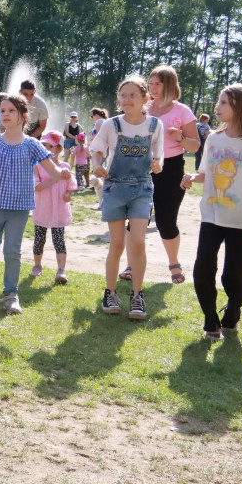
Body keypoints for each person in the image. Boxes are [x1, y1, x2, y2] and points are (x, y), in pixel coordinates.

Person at [182, 84, 242, 339]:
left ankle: (232, 312)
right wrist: (191, 177)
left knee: (235, 275)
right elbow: (206, 173)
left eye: (224, 103)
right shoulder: (214, 138)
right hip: (212, 215)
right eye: (219, 102)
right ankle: (211, 321)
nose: (217, 107)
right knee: (203, 269)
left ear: (240, 107)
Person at [0, 93, 70, 313]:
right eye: (2, 110)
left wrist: (61, 173)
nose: (5, 114)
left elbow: (53, 171)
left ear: (24, 116)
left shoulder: (32, 145)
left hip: (19, 209)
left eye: (11, 110)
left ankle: (11, 295)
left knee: (12, 251)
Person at [90, 76, 164, 320]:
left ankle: (137, 296)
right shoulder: (111, 125)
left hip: (142, 189)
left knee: (139, 243)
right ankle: (110, 292)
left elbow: (159, 158)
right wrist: (98, 165)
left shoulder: (155, 125)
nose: (126, 99)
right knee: (117, 244)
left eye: (133, 95)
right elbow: (96, 149)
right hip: (115, 188)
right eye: (123, 95)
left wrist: (157, 164)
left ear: (145, 99)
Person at [130, 65, 199, 285]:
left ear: (169, 85)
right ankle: (131, 265)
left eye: (158, 83)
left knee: (166, 221)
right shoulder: (142, 108)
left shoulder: (183, 111)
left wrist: (179, 137)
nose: (152, 87)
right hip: (140, 167)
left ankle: (174, 264)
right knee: (136, 219)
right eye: (150, 83)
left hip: (171, 169)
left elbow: (195, 146)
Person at [30, 130, 76, 284]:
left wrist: (68, 193)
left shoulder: (64, 167)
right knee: (39, 239)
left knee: (59, 239)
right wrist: (54, 179)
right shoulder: (38, 166)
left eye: (49, 146)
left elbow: (71, 184)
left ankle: (61, 270)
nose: (46, 149)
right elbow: (36, 186)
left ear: (58, 149)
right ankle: (37, 265)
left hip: (58, 210)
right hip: (42, 208)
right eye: (43, 146)